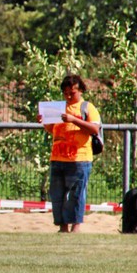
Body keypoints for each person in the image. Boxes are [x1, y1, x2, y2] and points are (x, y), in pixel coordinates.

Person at [37, 74, 100, 233]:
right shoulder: (59, 108)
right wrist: (44, 121)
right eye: (66, 93)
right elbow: (52, 129)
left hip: (79, 159)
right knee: (57, 195)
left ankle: (75, 227)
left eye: (72, 93)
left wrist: (74, 120)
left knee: (76, 194)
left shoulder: (87, 107)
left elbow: (94, 128)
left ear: (81, 90)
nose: (69, 96)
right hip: (57, 158)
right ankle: (62, 227)